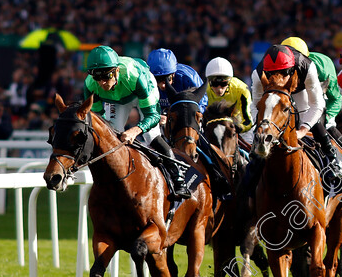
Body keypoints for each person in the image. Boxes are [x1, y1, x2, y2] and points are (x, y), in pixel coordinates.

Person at [83, 45, 191, 212]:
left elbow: (153, 116)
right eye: (97, 77)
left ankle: (178, 178)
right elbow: (98, 121)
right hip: (118, 101)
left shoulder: (137, 77)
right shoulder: (90, 85)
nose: (102, 83)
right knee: (112, 134)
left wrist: (135, 130)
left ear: (117, 71)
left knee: (150, 135)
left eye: (107, 76)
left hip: (140, 91)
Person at [246, 43, 342, 192]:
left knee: (311, 117)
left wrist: (303, 130)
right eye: (274, 74)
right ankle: (247, 184)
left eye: (284, 72)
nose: (280, 78)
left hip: (300, 91)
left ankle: (332, 160)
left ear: (292, 68)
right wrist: (262, 126)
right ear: (267, 72)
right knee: (260, 135)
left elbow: (317, 104)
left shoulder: (306, 66)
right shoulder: (258, 73)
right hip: (273, 93)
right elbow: (255, 106)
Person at [147, 48, 208, 119]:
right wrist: (157, 117)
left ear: (174, 74)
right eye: (157, 79)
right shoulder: (146, 81)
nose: (162, 85)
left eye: (167, 79)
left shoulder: (188, 78)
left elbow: (202, 103)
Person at [205, 57, 253, 134]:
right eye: (215, 84)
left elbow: (247, 120)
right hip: (212, 124)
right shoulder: (204, 91)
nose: (219, 89)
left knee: (250, 142)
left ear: (229, 81)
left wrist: (239, 128)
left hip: (237, 123)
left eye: (223, 84)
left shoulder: (242, 89)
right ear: (209, 82)